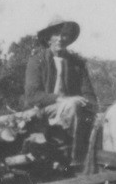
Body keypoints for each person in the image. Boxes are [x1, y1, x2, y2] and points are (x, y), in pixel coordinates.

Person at [23, 17, 98, 159]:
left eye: (65, 35)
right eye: (56, 34)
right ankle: (69, 153)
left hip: (73, 110)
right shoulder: (37, 61)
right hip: (44, 111)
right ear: (48, 38)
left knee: (97, 116)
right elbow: (32, 95)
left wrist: (91, 106)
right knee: (72, 105)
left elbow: (88, 93)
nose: (61, 39)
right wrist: (61, 99)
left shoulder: (76, 64)